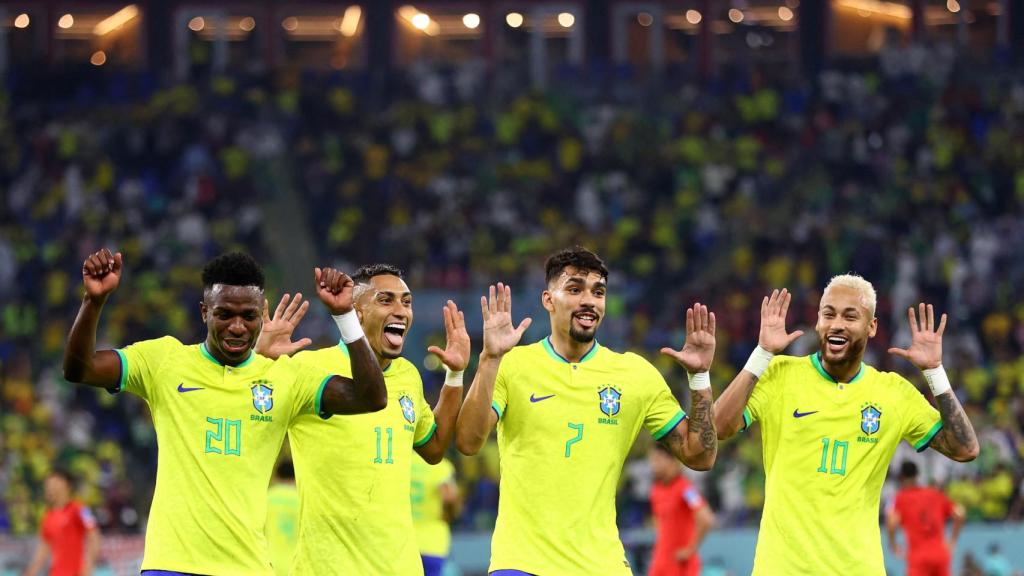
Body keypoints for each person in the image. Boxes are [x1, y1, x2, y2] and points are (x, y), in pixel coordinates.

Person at [62, 249, 387, 575]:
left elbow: (371, 398)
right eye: (224, 314)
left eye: (248, 316)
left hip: (247, 567)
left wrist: (345, 317)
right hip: (172, 564)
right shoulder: (164, 361)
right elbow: (81, 369)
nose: (236, 327)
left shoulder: (286, 377)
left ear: (262, 314)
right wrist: (94, 302)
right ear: (205, 312)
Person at [455, 246, 718, 575]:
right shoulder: (514, 366)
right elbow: (467, 441)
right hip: (521, 562)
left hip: (601, 564)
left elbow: (701, 456)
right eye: (575, 289)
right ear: (548, 300)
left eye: (598, 292)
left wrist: (700, 378)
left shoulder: (634, 375)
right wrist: (489, 360)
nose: (589, 301)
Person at [713, 277, 980, 575]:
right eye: (828, 314)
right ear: (818, 322)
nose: (837, 323)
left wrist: (935, 373)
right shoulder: (780, 374)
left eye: (850, 316)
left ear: (872, 327)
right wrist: (762, 353)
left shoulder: (893, 393)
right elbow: (718, 428)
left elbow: (966, 448)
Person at [255, 263, 469, 575]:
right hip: (328, 568)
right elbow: (248, 415)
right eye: (385, 300)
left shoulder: (408, 375)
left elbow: (434, 448)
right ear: (356, 313)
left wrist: (455, 375)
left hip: (402, 567)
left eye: (406, 302)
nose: (400, 311)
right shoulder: (310, 368)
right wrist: (259, 363)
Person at [647, 444, 716, 576]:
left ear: (671, 460)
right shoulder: (656, 490)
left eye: (657, 459)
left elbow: (706, 519)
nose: (652, 465)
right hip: (660, 563)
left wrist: (690, 549)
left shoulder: (685, 489)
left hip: (681, 566)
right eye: (651, 460)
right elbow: (659, 523)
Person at [886, 460, 964, 576]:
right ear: (917, 475)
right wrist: (952, 541)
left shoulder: (901, 498)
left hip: (918, 557)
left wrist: (893, 546)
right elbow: (960, 513)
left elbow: (892, 523)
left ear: (901, 477)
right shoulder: (935, 493)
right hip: (940, 554)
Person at [22, 469, 100, 576]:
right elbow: (44, 547)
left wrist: (89, 565)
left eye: (53, 484)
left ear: (67, 485)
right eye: (47, 485)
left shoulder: (80, 509)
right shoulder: (48, 516)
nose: (49, 489)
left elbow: (94, 537)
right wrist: (31, 571)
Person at [411, 456, 461, 576]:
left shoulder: (401, 461)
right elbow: (450, 498)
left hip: (402, 542)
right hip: (432, 543)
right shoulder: (441, 466)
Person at [265, 460, 299, 576]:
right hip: (297, 566)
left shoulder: (266, 498)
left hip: (269, 565)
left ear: (276, 476)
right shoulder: (303, 500)